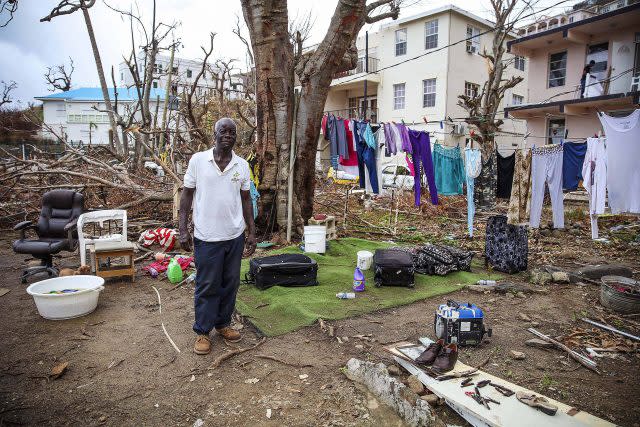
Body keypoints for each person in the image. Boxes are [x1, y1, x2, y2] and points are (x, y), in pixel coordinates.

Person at [179, 117, 257, 355]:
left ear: (236, 136)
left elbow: (246, 200)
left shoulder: (242, 165)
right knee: (207, 284)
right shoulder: (198, 161)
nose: (227, 135)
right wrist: (183, 229)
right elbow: (186, 197)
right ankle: (203, 331)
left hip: (233, 236)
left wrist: (251, 232)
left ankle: (223, 324)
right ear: (214, 134)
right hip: (206, 236)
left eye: (232, 132)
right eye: (223, 131)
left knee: (230, 283)